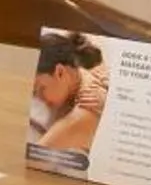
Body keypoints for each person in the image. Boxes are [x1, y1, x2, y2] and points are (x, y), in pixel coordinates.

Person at [27, 31, 109, 164]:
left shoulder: (86, 107)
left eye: (41, 89)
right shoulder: (80, 78)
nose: (40, 99)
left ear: (60, 72)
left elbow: (32, 161)